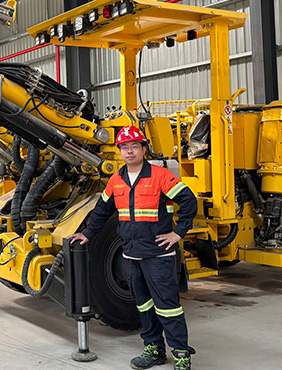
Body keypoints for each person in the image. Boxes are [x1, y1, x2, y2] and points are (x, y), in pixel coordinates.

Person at [66, 125, 197, 370]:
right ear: (119, 151)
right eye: (124, 147)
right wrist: (87, 233)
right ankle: (154, 350)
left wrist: (178, 233)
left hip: (158, 255)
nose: (129, 151)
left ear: (143, 149)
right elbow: (102, 210)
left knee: (168, 307)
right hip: (131, 254)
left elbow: (189, 201)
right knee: (144, 306)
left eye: (134, 146)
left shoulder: (160, 176)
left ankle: (181, 354)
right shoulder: (116, 180)